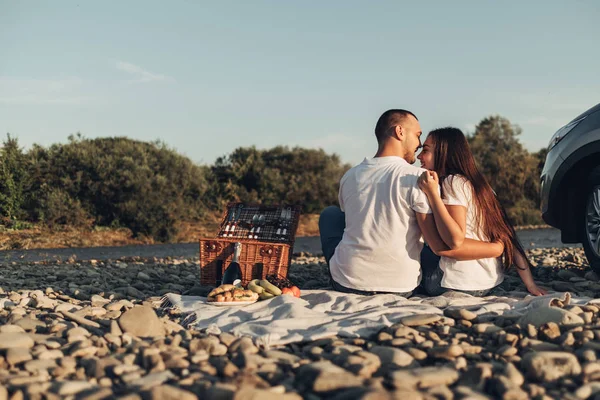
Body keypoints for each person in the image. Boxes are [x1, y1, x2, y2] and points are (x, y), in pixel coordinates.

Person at [319, 110, 502, 296]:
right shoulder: (417, 178)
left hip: (347, 284)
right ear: (399, 132)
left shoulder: (349, 176)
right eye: (418, 135)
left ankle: (349, 266)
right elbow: (439, 244)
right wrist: (495, 248)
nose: (420, 144)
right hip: (400, 288)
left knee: (330, 215)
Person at [416, 127, 547, 296]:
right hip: (489, 283)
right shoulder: (484, 188)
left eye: (425, 150)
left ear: (444, 152)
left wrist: (433, 195)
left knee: (419, 248)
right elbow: (508, 235)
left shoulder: (452, 182)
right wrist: (530, 284)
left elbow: (453, 241)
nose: (419, 156)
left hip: (456, 284)